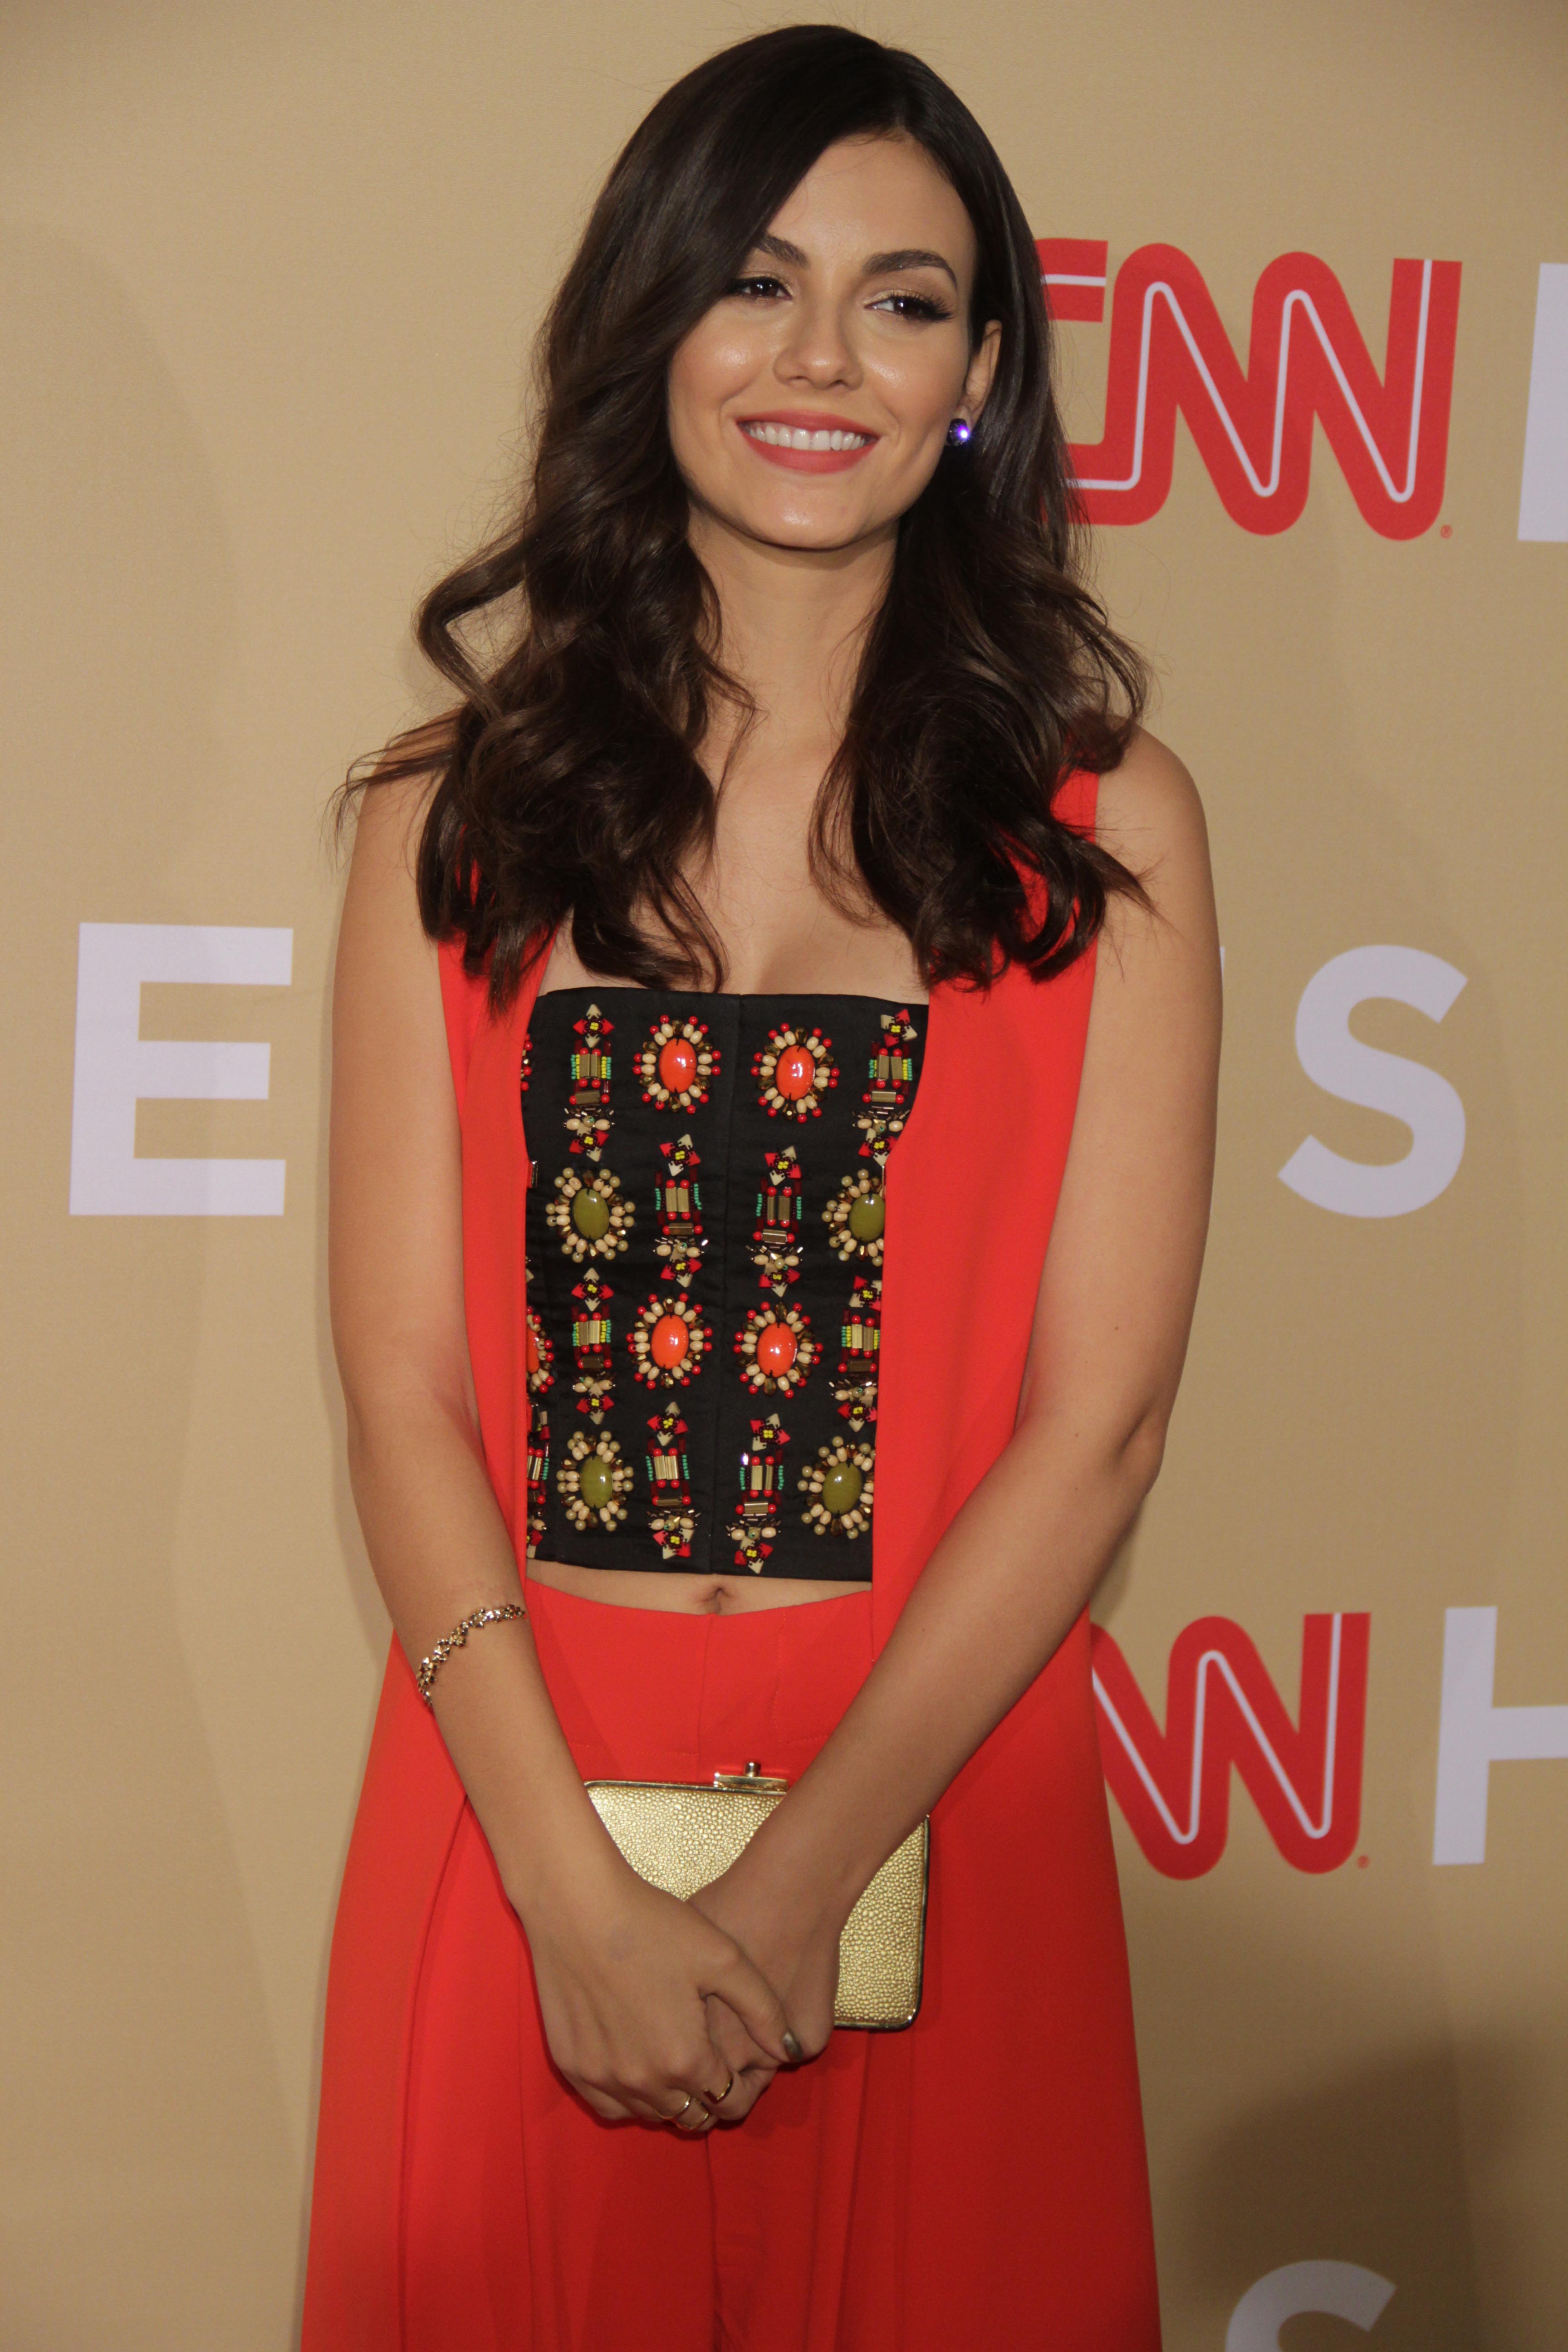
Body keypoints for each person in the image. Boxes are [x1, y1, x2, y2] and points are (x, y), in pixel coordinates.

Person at [303, 24, 1220, 2351]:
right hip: (517, 1812)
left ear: (979, 376)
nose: (823, 358)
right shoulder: (451, 818)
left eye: (903, 301)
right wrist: (570, 1893)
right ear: (655, 330)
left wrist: (811, 1878)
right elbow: (405, 1395)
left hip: (943, 1799)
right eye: (758, 282)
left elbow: (1099, 1426)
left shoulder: (1104, 829)